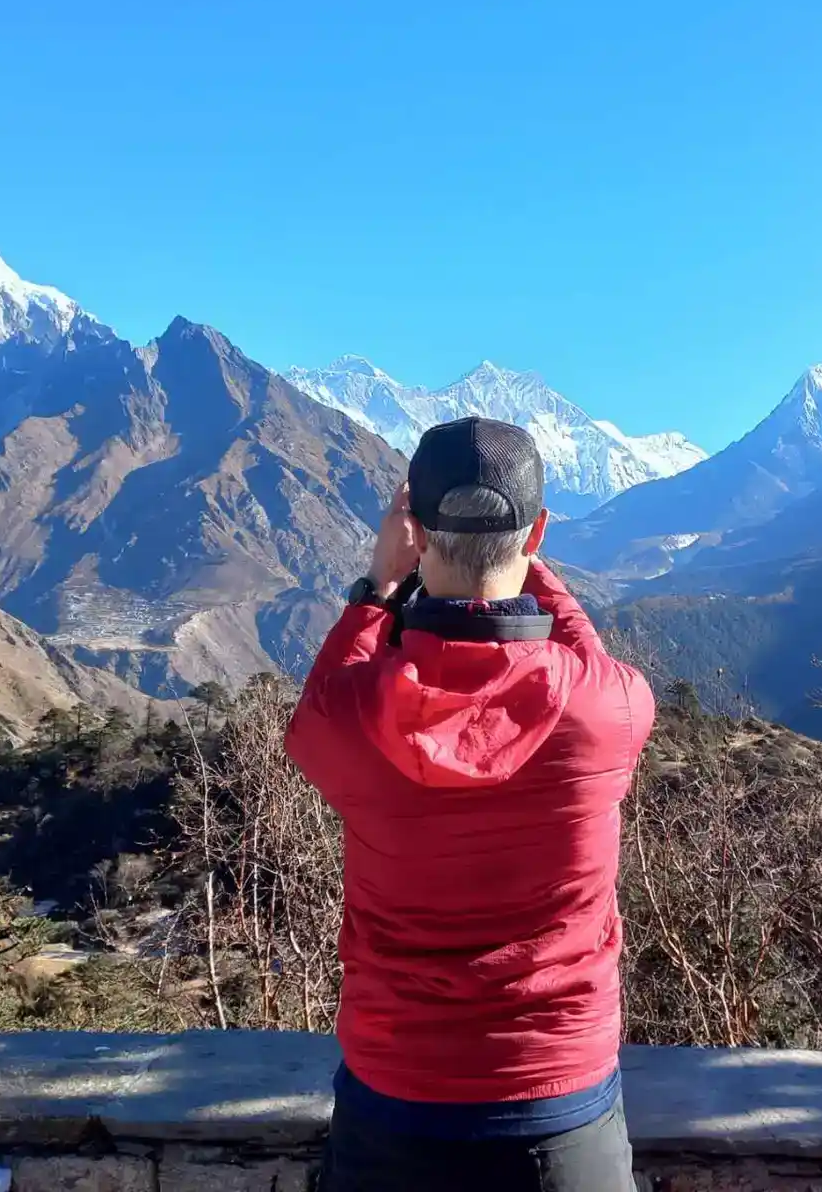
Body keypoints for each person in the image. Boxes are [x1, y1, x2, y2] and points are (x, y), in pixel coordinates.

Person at [286, 415, 657, 1192]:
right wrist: (533, 571)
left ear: (414, 532)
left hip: (395, 1093)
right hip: (560, 1097)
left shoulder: (349, 717)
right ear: (540, 530)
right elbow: (584, 652)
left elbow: (317, 706)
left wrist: (377, 593)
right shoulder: (609, 708)